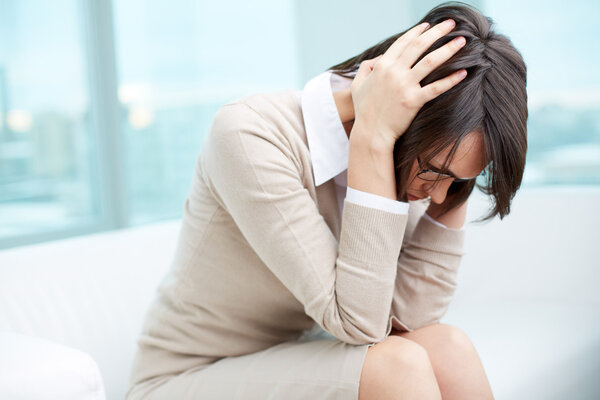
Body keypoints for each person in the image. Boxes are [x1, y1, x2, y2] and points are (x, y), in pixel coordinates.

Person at [126, 1, 527, 399]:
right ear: (409, 123)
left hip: (300, 356)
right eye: (435, 172)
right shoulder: (251, 134)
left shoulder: (418, 158)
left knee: (448, 349)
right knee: (396, 368)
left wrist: (455, 185)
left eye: (457, 181)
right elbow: (361, 325)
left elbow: (409, 319)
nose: (436, 195)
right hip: (185, 379)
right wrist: (371, 138)